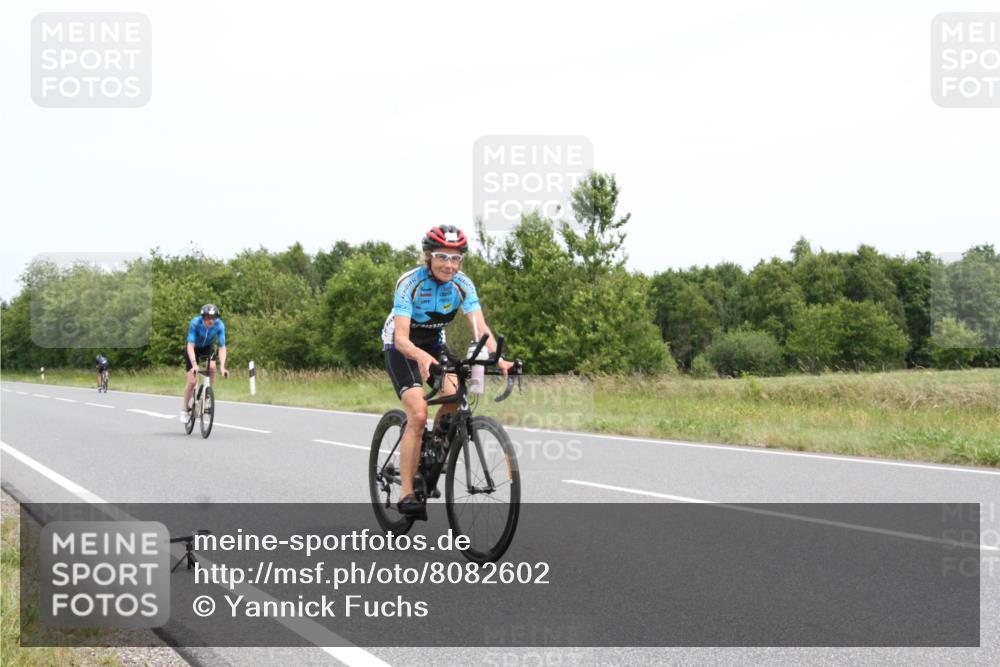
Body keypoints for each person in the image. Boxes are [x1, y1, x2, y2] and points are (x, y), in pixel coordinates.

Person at [381, 225, 513, 515]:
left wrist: (499, 358)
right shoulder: (410, 283)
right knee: (417, 413)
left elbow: (480, 329)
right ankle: (406, 493)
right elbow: (401, 338)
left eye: (456, 259)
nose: (449, 265)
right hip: (401, 346)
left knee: (455, 398)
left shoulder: (463, 284)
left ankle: (431, 453)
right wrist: (421, 358)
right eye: (442, 257)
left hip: (433, 343)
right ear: (428, 256)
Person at [180, 304, 228, 422]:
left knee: (212, 368)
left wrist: (222, 367)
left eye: (213, 317)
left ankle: (207, 394)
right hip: (193, 348)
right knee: (192, 382)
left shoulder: (219, 325)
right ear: (203, 317)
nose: (210, 320)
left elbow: (222, 347)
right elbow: (190, 345)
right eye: (207, 318)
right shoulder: (195, 323)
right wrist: (194, 364)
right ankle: (185, 410)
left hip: (207, 347)